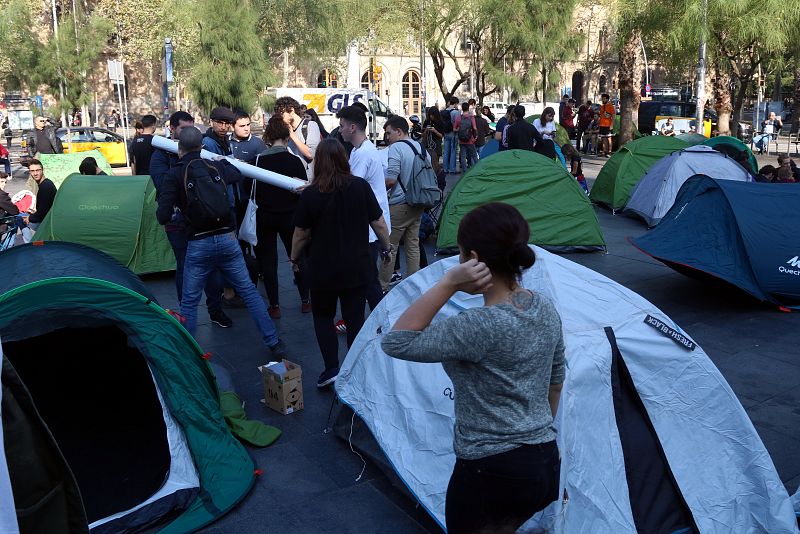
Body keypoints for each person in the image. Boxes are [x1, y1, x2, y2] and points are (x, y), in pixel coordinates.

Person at [380, 202, 564, 534]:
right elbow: (556, 382)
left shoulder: (477, 326)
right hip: (544, 463)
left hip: (489, 472)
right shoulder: (544, 308)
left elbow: (396, 341)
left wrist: (447, 283)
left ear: (472, 260)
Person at [156, 127, 287, 356]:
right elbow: (237, 175)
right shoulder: (214, 166)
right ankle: (273, 342)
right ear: (201, 146)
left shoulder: (175, 174)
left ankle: (188, 356)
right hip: (227, 238)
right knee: (248, 291)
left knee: (189, 301)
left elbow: (162, 216)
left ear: (179, 148)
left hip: (198, 243)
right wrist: (221, 161)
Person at [290, 138, 391, 387]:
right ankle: (355, 368)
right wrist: (387, 246)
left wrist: (293, 257)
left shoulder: (311, 194)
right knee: (355, 318)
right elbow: (378, 222)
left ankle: (331, 368)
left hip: (322, 268)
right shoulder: (359, 187)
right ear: (344, 160)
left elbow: (301, 233)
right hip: (356, 266)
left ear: (319, 163)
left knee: (323, 317)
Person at [150, 110, 231, 329]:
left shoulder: (199, 154)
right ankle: (184, 315)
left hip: (202, 221)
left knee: (212, 268)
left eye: (191, 128)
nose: (189, 133)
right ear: (173, 129)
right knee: (185, 268)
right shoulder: (160, 155)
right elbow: (164, 185)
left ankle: (216, 310)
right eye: (184, 129)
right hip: (177, 223)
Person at [247, 115, 311, 318]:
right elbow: (303, 191)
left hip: (264, 217)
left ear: (268, 137)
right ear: (286, 138)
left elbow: (249, 189)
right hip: (290, 217)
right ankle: (305, 300)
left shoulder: (256, 161)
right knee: (297, 257)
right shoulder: (294, 161)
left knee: (268, 261)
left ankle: (274, 305)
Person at [338, 105, 392, 310]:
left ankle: (379, 322)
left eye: (342, 126)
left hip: (368, 228)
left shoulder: (363, 154)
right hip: (369, 225)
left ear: (352, 128)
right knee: (366, 279)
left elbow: (350, 186)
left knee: (368, 280)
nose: (340, 129)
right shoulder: (361, 150)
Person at [379, 115, 429, 291]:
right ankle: (412, 285)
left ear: (399, 132)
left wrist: (375, 186)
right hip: (418, 202)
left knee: (389, 247)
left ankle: (382, 286)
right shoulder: (420, 147)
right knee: (412, 244)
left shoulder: (396, 148)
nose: (387, 137)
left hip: (400, 204)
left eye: (388, 133)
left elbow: (391, 179)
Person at [275, 96, 321, 180]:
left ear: (291, 110)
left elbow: (310, 154)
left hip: (308, 183)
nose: (280, 117)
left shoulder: (311, 125)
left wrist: (291, 134)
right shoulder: (285, 131)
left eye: (281, 113)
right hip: (291, 181)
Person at [23, 159, 56, 231]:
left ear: (42, 170)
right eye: (32, 171)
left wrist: (30, 218)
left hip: (48, 222)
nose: (35, 173)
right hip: (46, 218)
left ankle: (31, 242)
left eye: (37, 170)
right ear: (29, 172)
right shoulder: (45, 184)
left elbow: (42, 212)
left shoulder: (46, 186)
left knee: (21, 220)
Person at [453, 103, 478, 172]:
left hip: (461, 140)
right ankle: (477, 168)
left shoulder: (459, 118)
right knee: (474, 155)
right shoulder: (471, 118)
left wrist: (460, 129)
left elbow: (454, 129)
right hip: (470, 140)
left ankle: (465, 170)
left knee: (463, 156)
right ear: (468, 109)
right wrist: (475, 136)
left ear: (462, 108)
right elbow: (475, 128)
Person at [422, 106, 444, 174]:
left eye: (432, 115)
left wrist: (434, 130)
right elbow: (422, 134)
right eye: (430, 115)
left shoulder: (440, 122)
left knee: (435, 162)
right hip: (428, 144)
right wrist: (426, 130)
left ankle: (436, 176)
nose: (431, 116)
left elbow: (441, 135)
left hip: (436, 143)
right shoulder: (427, 121)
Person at [442, 97, 460, 173]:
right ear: (455, 103)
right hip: (453, 133)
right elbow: (458, 123)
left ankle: (445, 168)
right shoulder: (456, 112)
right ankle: (452, 169)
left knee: (446, 151)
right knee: (453, 151)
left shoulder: (443, 112)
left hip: (446, 133)